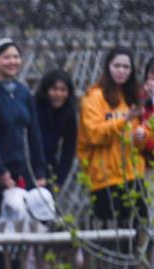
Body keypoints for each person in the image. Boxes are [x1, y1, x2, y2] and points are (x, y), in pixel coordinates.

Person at [0, 37, 47, 224]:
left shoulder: (23, 92)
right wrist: (0, 171)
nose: (12, 62)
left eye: (16, 57)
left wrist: (39, 171)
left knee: (26, 221)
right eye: (6, 57)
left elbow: (34, 132)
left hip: (20, 166)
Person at [78, 46, 149, 226]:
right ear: (107, 67)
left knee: (137, 233)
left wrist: (142, 136)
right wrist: (123, 119)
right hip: (105, 177)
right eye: (117, 66)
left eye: (126, 67)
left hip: (133, 176)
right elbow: (94, 134)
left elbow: (136, 138)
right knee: (110, 236)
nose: (121, 71)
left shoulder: (131, 97)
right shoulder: (95, 97)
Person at [35, 69, 78, 188]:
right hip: (30, 164)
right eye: (54, 89)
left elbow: (69, 148)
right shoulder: (35, 107)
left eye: (63, 90)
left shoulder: (68, 113)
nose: (58, 94)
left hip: (49, 166)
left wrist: (59, 179)